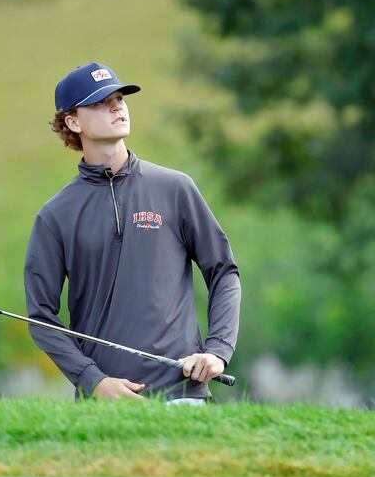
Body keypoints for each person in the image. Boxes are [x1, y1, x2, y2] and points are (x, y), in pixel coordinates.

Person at [23, 63, 241, 404]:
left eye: (119, 97)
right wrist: (93, 382)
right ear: (72, 121)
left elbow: (224, 272)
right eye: (99, 102)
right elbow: (41, 318)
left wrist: (217, 350)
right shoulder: (55, 215)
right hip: (104, 404)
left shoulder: (175, 188)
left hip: (183, 396)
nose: (116, 106)